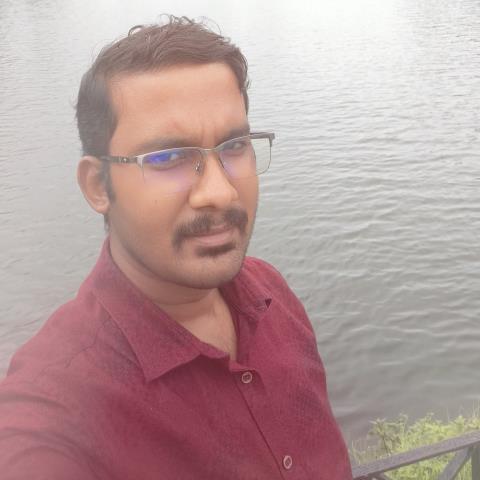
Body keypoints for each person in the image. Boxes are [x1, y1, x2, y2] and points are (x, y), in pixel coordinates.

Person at [0, 16, 352, 480]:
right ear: (98, 185)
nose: (220, 193)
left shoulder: (270, 293)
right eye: (168, 157)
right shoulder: (59, 406)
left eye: (234, 145)